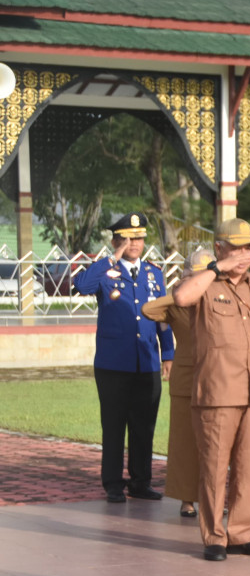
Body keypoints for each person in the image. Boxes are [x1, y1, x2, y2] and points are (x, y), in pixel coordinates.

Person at [172, 218, 250, 561]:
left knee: (249, 465)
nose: (245, 255)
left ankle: (242, 532)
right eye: (237, 248)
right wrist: (216, 268)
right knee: (215, 466)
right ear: (220, 248)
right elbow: (181, 296)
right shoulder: (204, 282)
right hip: (218, 390)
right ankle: (214, 537)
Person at [74, 213, 174, 503]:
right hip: (113, 364)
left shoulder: (154, 273)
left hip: (147, 362)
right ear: (116, 240)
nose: (135, 243)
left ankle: (141, 482)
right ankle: (114, 484)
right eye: (128, 238)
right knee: (115, 425)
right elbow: (82, 286)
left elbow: (164, 317)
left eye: (139, 238)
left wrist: (167, 353)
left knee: (144, 425)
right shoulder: (105, 271)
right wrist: (110, 259)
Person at [141, 248, 210, 518]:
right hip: (185, 379)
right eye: (194, 276)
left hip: (216, 377)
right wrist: (179, 292)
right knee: (184, 442)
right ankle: (186, 499)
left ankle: (212, 497)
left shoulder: (219, 299)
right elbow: (148, 309)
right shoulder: (176, 305)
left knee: (214, 441)